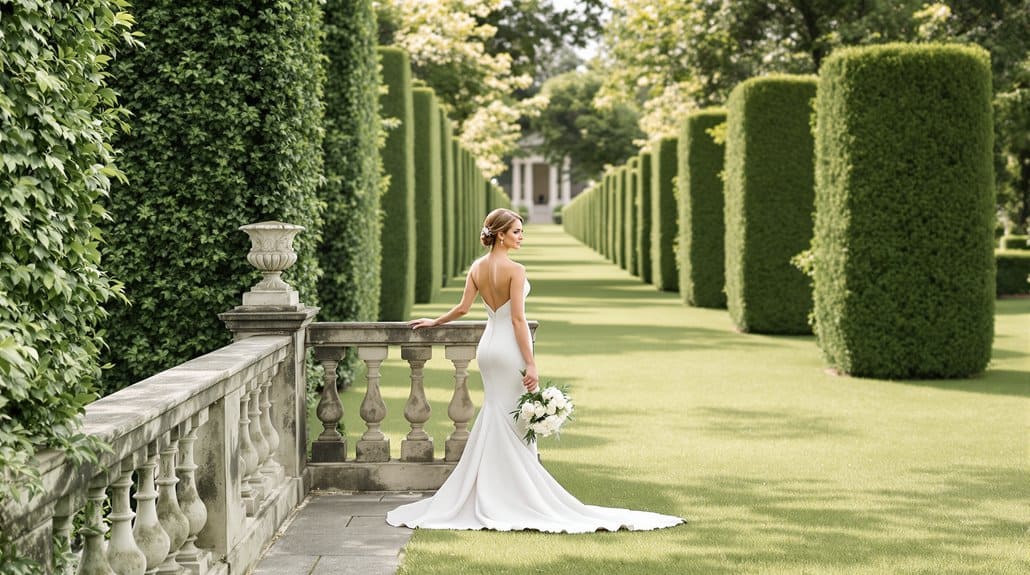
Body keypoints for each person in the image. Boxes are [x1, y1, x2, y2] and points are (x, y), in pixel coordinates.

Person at [386, 208, 683, 533]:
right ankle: (514, 494)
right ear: (500, 234)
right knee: (514, 419)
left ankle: (491, 489)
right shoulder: (516, 270)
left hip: (487, 349)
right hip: (509, 350)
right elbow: (517, 320)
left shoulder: (477, 267)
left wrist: (435, 321)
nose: (521, 237)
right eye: (516, 232)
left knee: (499, 414)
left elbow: (463, 308)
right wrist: (531, 363)